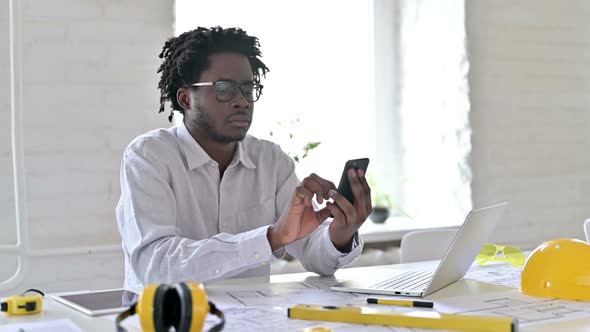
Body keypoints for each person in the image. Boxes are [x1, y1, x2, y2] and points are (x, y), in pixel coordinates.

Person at [116, 26, 372, 295]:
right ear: (185, 99)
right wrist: (272, 238)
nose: (242, 101)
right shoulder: (149, 156)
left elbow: (315, 254)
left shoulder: (271, 161)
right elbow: (155, 266)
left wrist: (340, 235)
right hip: (165, 318)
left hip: (252, 317)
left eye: (248, 89)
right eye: (224, 89)